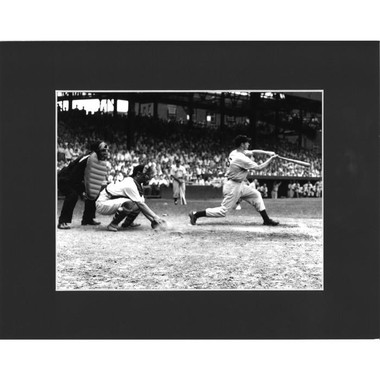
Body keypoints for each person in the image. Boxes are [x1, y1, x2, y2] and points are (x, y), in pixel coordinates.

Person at [189, 135, 279, 226]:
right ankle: (196, 214)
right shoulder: (241, 158)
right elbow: (259, 167)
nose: (248, 143)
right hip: (233, 186)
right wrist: (271, 159)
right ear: (242, 144)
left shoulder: (234, 152)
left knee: (256, 195)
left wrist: (268, 153)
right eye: (247, 142)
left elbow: (253, 152)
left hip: (239, 185)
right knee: (223, 211)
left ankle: (266, 219)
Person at [96, 164, 165, 232]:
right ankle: (113, 225)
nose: (149, 178)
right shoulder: (129, 184)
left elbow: (141, 205)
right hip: (102, 203)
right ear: (138, 174)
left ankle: (127, 223)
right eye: (147, 175)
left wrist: (153, 220)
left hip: (111, 201)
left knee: (139, 202)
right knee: (131, 203)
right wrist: (156, 217)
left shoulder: (137, 183)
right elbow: (140, 204)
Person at [57, 141, 109, 229]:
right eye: (103, 151)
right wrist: (81, 191)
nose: (106, 153)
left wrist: (85, 189)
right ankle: (63, 221)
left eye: (106, 150)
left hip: (75, 181)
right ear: (96, 151)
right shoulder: (87, 158)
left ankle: (87, 219)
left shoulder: (95, 160)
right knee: (72, 195)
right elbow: (74, 172)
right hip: (65, 179)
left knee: (93, 193)